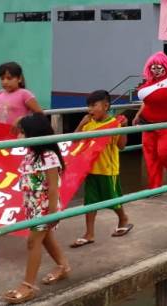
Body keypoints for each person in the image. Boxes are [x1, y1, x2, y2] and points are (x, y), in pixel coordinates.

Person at [2, 113, 70, 304]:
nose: (19, 136)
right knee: (46, 238)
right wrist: (22, 121)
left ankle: (28, 285)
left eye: (23, 133)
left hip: (44, 205)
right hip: (32, 204)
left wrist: (52, 213)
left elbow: (54, 186)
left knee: (33, 242)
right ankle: (63, 266)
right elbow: (16, 126)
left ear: (35, 134)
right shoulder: (31, 152)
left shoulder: (48, 156)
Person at [70, 90, 132, 249]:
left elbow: (122, 146)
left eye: (93, 105)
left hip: (108, 170)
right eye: (88, 106)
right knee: (89, 203)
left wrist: (123, 129)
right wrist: (81, 124)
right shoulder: (88, 124)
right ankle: (89, 233)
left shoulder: (115, 123)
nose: (90, 110)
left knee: (113, 198)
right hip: (90, 170)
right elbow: (74, 142)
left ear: (106, 106)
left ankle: (123, 218)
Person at [132, 52, 167, 190]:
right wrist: (138, 115)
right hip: (147, 123)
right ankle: (155, 187)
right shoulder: (149, 82)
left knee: (166, 153)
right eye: (153, 67)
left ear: (165, 66)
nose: (155, 70)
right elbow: (147, 101)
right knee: (150, 157)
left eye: (158, 67)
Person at [0, 61, 43, 128]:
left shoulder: (25, 94)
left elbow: (40, 115)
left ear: (19, 79)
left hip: (17, 135)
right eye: (2, 78)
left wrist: (22, 120)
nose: (5, 82)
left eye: (9, 78)